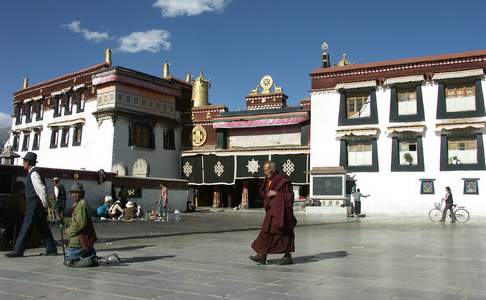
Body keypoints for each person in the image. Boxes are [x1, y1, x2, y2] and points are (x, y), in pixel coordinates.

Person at [5, 152, 58, 258]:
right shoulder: (33, 172)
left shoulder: (33, 173)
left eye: (24, 161)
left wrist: (45, 204)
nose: (23, 163)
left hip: (34, 204)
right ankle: (51, 249)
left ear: (28, 162)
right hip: (37, 205)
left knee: (26, 226)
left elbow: (41, 189)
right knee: (42, 227)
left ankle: (18, 250)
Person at [249, 161, 297, 265]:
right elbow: (265, 193)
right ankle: (262, 255)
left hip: (281, 212)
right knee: (265, 232)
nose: (265, 173)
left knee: (283, 233)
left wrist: (277, 193)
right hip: (271, 211)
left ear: (273, 170)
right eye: (264, 170)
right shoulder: (267, 181)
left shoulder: (283, 181)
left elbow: (290, 196)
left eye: (267, 170)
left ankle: (287, 256)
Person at [64, 183, 98, 267]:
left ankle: (90, 260)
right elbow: (76, 220)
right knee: (88, 255)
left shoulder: (81, 205)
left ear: (82, 194)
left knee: (68, 261)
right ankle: (90, 257)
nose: (74, 195)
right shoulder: (78, 204)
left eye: (76, 192)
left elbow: (79, 224)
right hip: (83, 240)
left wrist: (68, 231)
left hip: (79, 241)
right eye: (73, 192)